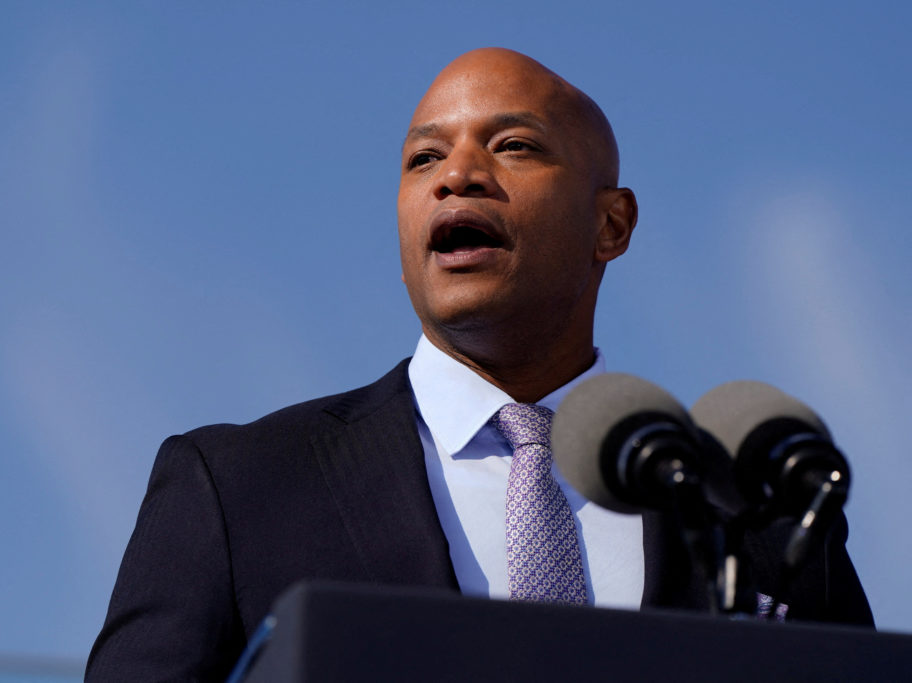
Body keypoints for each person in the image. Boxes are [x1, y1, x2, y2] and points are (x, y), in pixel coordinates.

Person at [86, 48, 872, 680]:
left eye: (513, 145)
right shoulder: (236, 486)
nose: (456, 174)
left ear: (611, 224)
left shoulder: (757, 506)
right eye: (423, 158)